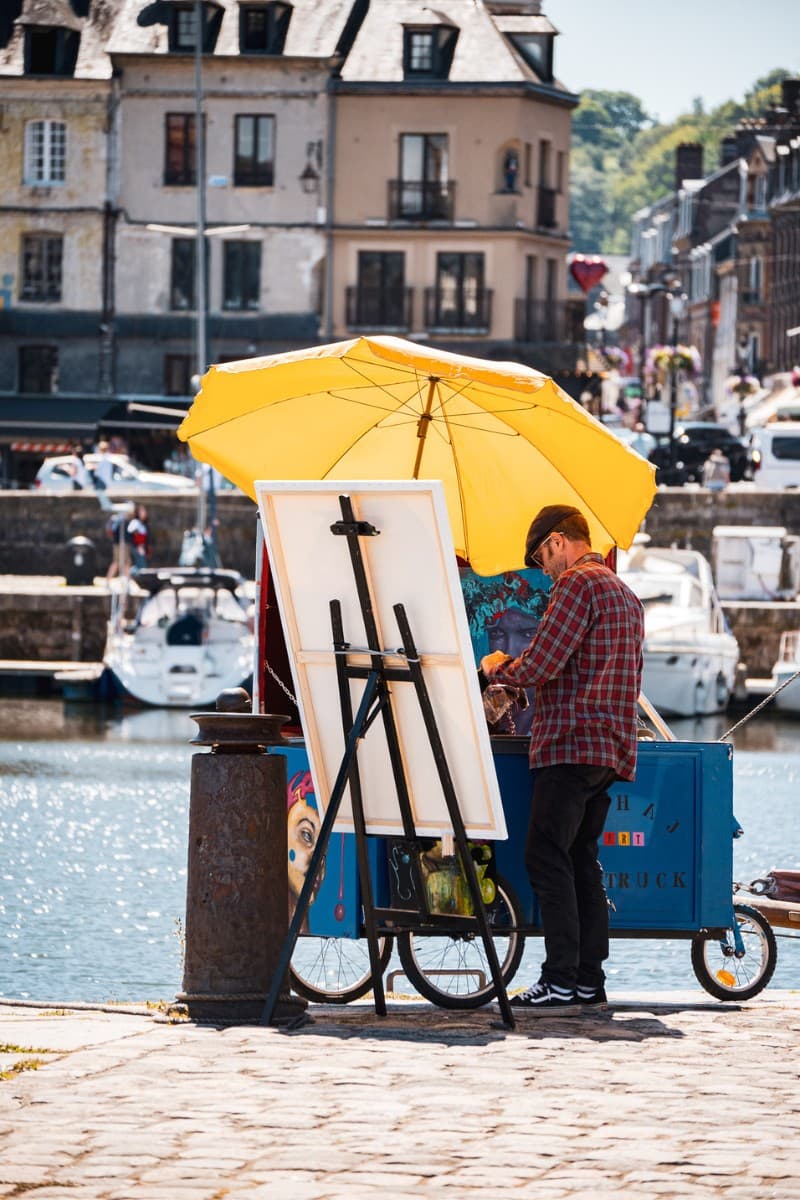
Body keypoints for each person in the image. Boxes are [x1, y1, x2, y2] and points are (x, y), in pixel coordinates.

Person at [481, 504, 644, 1014]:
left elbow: (546, 660)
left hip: (571, 742)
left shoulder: (578, 585)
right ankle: (587, 981)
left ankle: (557, 979)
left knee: (544, 856)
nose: (542, 569)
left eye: (540, 557)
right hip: (609, 748)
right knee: (580, 861)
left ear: (557, 541)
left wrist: (500, 669)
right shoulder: (624, 592)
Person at [126, 504, 150, 574]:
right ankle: (128, 574)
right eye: (142, 511)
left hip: (141, 547)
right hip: (137, 547)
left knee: (142, 565)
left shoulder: (142, 523)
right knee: (141, 566)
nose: (144, 513)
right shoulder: (135, 522)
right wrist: (139, 545)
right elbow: (132, 531)